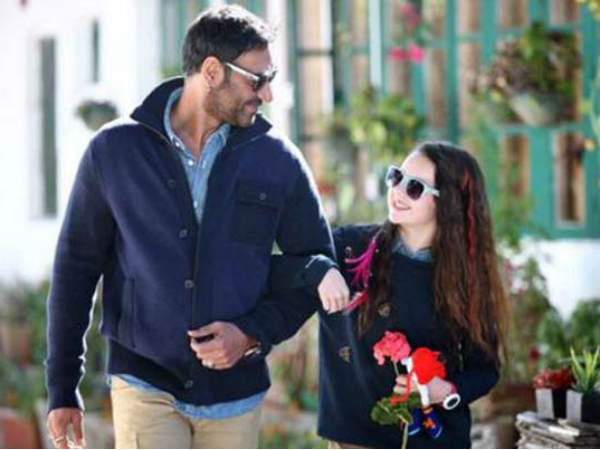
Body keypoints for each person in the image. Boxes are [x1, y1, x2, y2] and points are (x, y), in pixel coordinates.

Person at [45, 5, 340, 449]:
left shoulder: (278, 161)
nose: (267, 94)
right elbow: (76, 268)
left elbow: (315, 266)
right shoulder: (115, 151)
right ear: (212, 71)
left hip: (236, 397)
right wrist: (62, 387)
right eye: (257, 79)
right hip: (145, 381)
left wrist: (251, 335)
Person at [213, 141, 508, 448]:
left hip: (434, 440)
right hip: (354, 440)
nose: (397, 191)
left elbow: (485, 368)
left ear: (447, 202)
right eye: (396, 177)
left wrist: (445, 391)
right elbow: (270, 276)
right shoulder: (349, 249)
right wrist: (318, 271)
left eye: (414, 188)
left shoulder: (466, 277)